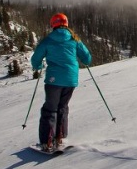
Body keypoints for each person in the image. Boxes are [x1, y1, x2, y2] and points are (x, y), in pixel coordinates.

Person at [30, 12, 92, 152]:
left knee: (50, 109)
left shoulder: (48, 40)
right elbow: (87, 57)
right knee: (62, 107)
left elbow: (35, 59)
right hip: (71, 79)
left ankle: (47, 142)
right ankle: (60, 138)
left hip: (54, 80)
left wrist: (39, 66)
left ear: (53, 24)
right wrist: (84, 61)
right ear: (66, 23)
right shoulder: (74, 39)